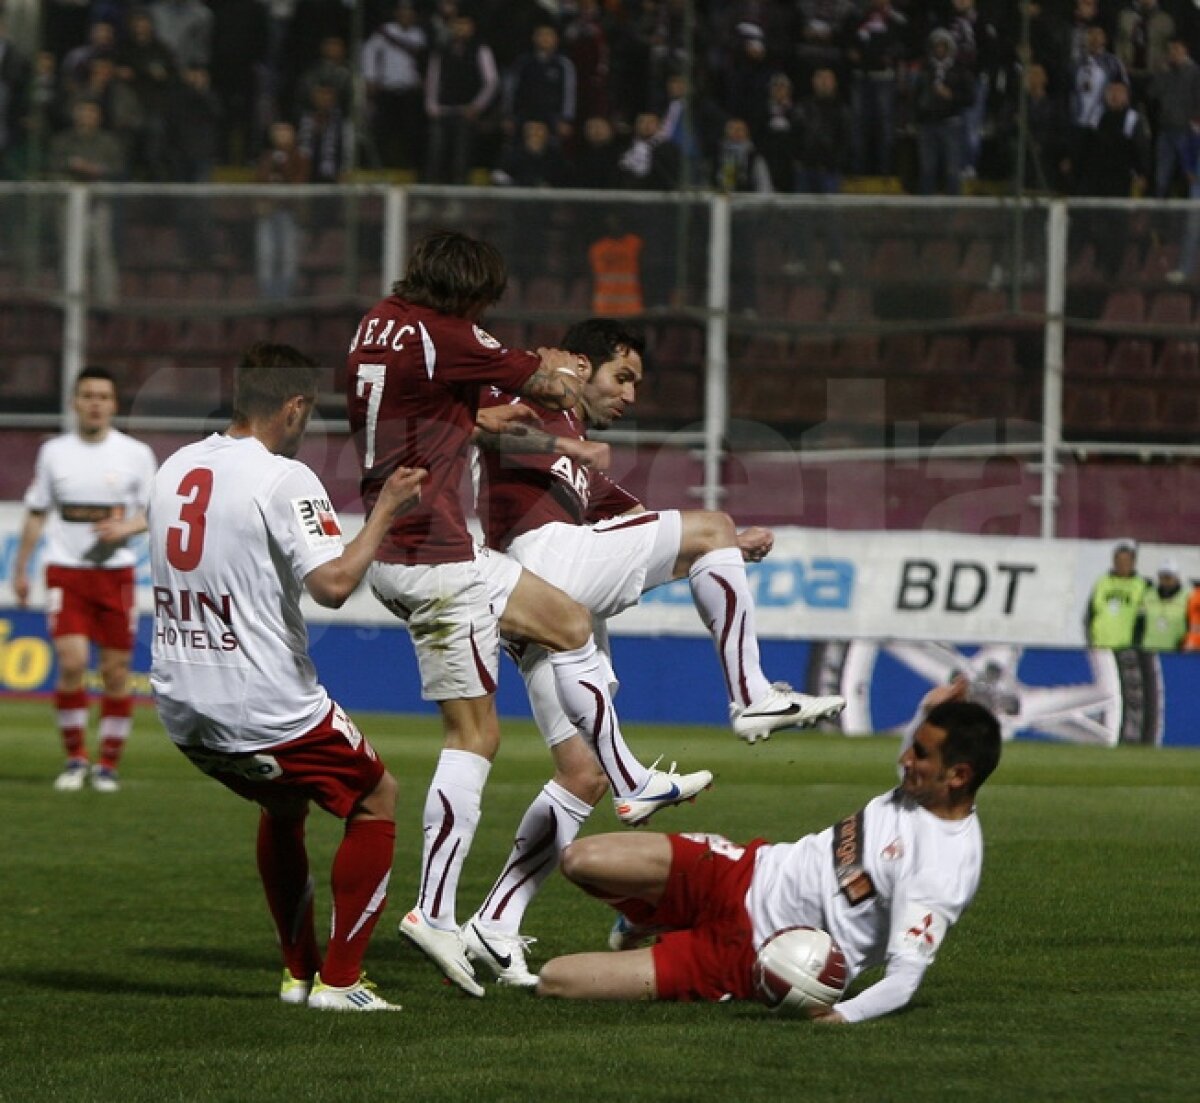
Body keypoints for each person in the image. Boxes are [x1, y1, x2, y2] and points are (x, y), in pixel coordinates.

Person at [345, 232, 706, 999]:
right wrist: (568, 372)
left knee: (510, 691)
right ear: (467, 292)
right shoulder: (447, 331)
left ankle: (454, 909)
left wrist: (481, 424)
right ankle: (621, 782)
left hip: (396, 553)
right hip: (439, 556)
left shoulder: (377, 323)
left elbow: (426, 401)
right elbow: (546, 373)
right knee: (538, 661)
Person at [460, 319, 846, 987]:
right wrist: (710, 534)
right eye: (623, 376)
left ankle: (492, 923)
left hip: (542, 605)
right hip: (539, 560)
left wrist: (728, 545)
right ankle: (751, 694)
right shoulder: (537, 399)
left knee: (581, 773)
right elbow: (476, 423)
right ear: (581, 366)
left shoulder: (581, 459)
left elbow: (638, 519)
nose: (631, 395)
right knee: (710, 527)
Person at [148, 342, 427, 1012]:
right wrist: (386, 509)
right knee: (376, 796)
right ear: (296, 405)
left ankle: (297, 972)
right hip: (264, 704)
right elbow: (332, 584)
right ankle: (341, 980)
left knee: (282, 804)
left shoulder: (176, 465)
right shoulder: (282, 476)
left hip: (181, 704)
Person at [536, 680, 1001, 1023]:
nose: (905, 760)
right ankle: (651, 915)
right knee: (579, 861)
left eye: (920, 755)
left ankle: (659, 920)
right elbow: (918, 749)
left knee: (554, 980)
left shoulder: (942, 868)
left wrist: (842, 1018)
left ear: (957, 776)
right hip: (743, 870)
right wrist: (929, 705)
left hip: (752, 957)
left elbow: (904, 980)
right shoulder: (921, 786)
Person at [13, 367, 157, 793]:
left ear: (114, 404)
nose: (95, 403)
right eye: (88, 395)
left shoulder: (135, 454)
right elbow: (38, 511)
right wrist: (21, 569)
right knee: (73, 664)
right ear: (75, 402)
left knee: (115, 674)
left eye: (103, 396)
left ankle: (107, 764)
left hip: (116, 577)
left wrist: (124, 529)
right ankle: (76, 759)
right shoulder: (54, 452)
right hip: (65, 573)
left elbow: (154, 512)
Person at [1085, 540, 1150, 649]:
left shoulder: (1142, 586)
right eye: (1118, 560)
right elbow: (1090, 614)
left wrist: (1137, 645)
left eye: (1126, 561)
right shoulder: (1102, 582)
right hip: (1100, 647)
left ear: (1133, 562)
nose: (1122, 564)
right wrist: (1091, 640)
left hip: (1126, 648)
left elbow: (1144, 620)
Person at [1135, 559, 1188, 651]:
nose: (1165, 581)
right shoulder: (1148, 596)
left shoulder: (1187, 597)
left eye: (1169, 577)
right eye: (1162, 577)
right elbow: (1139, 624)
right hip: (1149, 652)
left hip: (1174, 653)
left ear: (1177, 578)